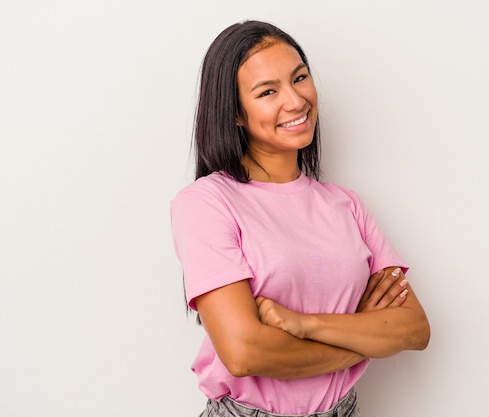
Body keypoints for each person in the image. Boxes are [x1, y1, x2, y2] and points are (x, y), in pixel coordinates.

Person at [170, 20, 430, 417]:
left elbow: (413, 329)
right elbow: (244, 352)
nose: (295, 100)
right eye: (268, 91)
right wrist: (362, 340)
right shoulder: (207, 202)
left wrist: (305, 325)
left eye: (300, 78)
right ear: (235, 113)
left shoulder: (347, 205)